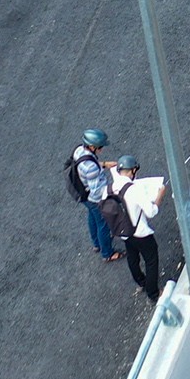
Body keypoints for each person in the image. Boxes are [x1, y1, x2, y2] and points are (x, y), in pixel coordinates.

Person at [111, 155, 169, 302]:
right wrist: (160, 195)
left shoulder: (112, 186)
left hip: (124, 231)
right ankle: (153, 293)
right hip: (140, 232)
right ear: (132, 171)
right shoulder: (134, 189)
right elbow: (151, 211)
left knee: (132, 257)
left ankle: (141, 282)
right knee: (151, 259)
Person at [67, 128, 121, 262]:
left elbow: (85, 164)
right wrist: (114, 189)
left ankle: (96, 244)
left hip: (83, 195)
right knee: (103, 224)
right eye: (100, 147)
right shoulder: (91, 168)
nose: (101, 150)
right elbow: (97, 192)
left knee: (92, 217)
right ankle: (107, 253)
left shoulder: (79, 150)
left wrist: (104, 164)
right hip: (94, 199)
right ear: (91, 147)